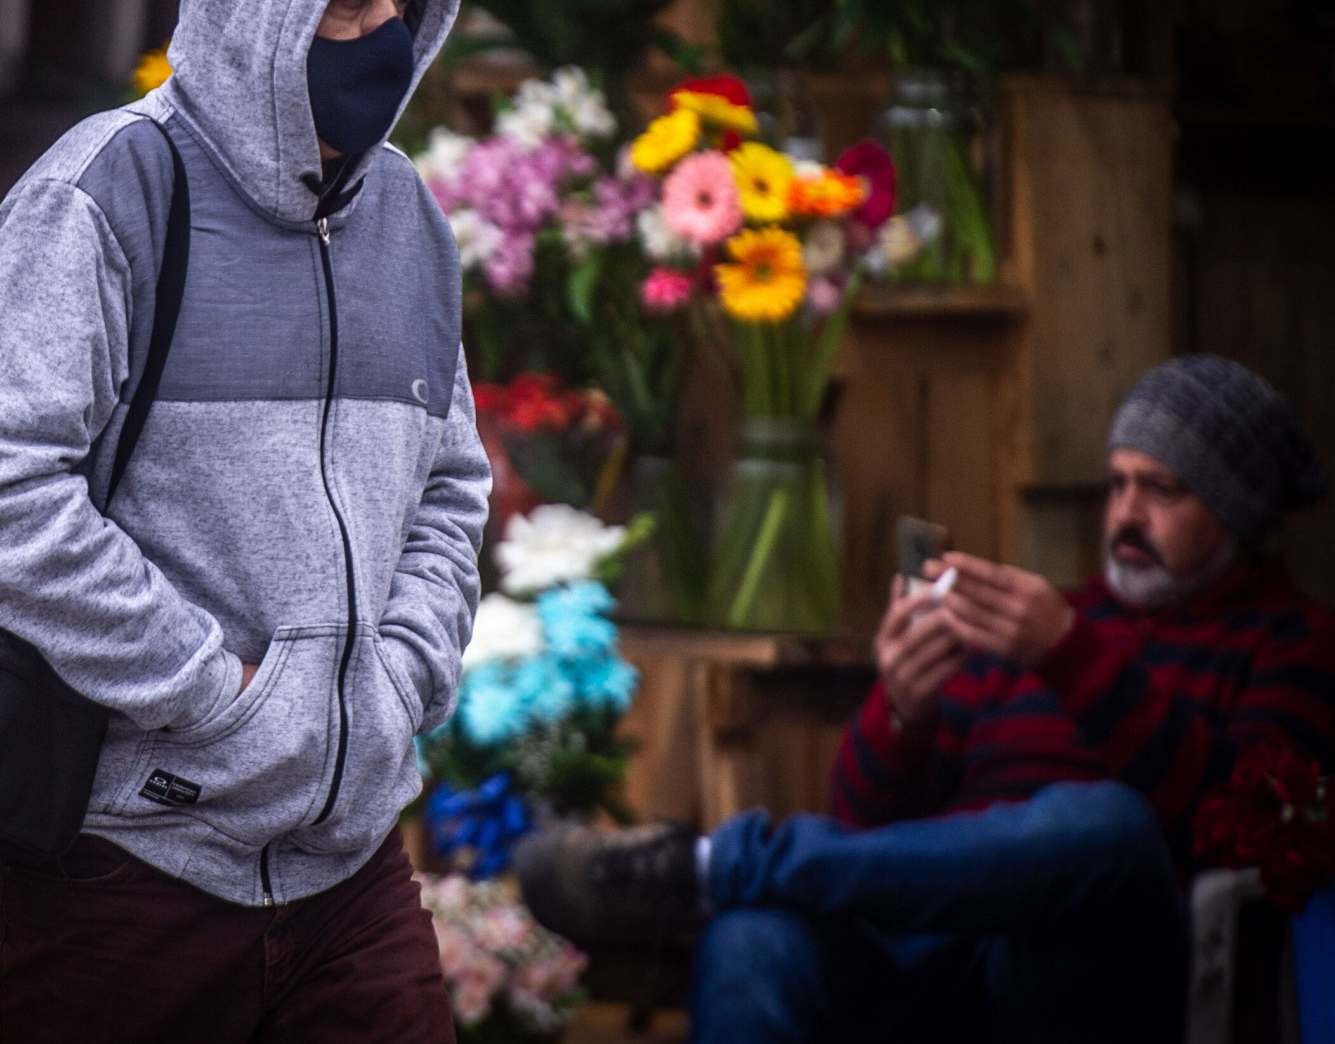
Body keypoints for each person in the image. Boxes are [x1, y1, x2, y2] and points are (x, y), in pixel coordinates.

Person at [0, 0, 489, 1043]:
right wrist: (216, 695)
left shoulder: (408, 221)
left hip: (352, 872)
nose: (380, 33)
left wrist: (399, 679)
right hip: (127, 866)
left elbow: (450, 483)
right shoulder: (104, 192)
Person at [519, 354, 1335, 1043]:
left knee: (1106, 824)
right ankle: (719, 877)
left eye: (1161, 491)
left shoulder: (1289, 640)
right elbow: (868, 829)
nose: (1125, 513)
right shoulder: (1037, 619)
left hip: (1087, 968)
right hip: (935, 943)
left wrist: (1071, 659)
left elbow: (1251, 822)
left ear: (1237, 511)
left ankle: (712, 863)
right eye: (1117, 483)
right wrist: (900, 712)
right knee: (753, 934)